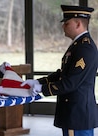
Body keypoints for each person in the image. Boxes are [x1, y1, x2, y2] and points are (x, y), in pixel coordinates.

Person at [21, 5, 98, 136]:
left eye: (67, 23)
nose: (63, 26)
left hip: (77, 114)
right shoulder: (77, 45)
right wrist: (38, 82)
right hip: (73, 112)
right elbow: (62, 74)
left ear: (78, 24)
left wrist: (42, 88)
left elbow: (70, 83)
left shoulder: (84, 48)